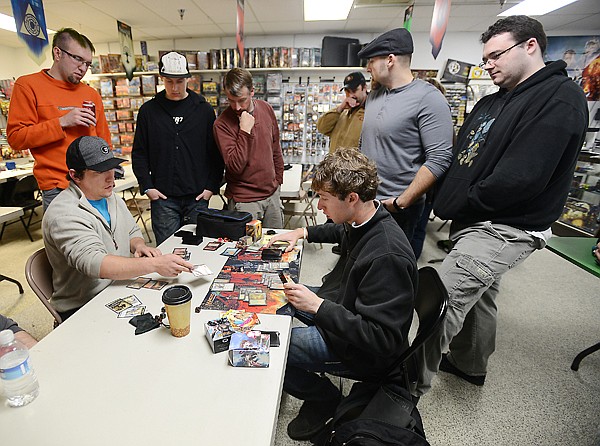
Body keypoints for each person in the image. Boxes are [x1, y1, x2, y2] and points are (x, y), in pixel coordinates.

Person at [414, 16, 588, 397]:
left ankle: (401, 392)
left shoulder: (559, 99)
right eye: (485, 57)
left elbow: (522, 177)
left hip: (505, 225)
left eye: (496, 55)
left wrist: (460, 200)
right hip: (473, 216)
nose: (488, 64)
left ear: (530, 47)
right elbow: (465, 157)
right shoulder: (493, 100)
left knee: (442, 297)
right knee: (481, 294)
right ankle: (468, 364)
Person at [267, 147, 417, 441]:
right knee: (276, 296)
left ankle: (324, 398)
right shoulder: (365, 218)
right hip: (340, 306)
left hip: (362, 351)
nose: (320, 206)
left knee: (276, 347)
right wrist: (303, 233)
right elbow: (340, 231)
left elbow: (383, 339)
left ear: (351, 198)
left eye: (324, 199)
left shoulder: (387, 255)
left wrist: (318, 307)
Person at [43, 136, 194, 321]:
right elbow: (94, 263)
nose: (111, 177)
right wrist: (154, 265)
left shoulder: (109, 196)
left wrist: (138, 245)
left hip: (118, 287)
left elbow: (131, 231)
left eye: (111, 168)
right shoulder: (63, 213)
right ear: (75, 175)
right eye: (99, 172)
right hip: (84, 306)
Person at [358, 28, 454, 243]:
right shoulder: (374, 96)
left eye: (371, 61)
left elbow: (440, 158)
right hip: (364, 202)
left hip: (397, 208)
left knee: (390, 271)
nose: (368, 67)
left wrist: (401, 202)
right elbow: (365, 145)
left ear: (390, 60)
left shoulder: (429, 98)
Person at [7, 28, 111, 210]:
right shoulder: (28, 85)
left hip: (94, 184)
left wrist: (108, 174)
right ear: (57, 53)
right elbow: (16, 138)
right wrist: (62, 122)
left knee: (103, 237)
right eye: (78, 59)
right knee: (66, 239)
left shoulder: (91, 94)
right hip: (58, 187)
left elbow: (104, 140)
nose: (83, 68)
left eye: (87, 63)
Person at [132, 51, 224, 246]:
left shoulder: (204, 110)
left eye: (179, 82)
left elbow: (215, 154)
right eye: (169, 82)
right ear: (162, 79)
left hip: (197, 196)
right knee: (166, 252)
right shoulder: (148, 111)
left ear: (188, 79)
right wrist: (147, 186)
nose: (174, 87)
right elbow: (139, 152)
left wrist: (211, 187)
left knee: (199, 250)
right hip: (163, 198)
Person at [213, 68, 285, 228]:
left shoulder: (266, 108)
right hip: (244, 201)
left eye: (241, 100)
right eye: (231, 100)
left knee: (276, 248)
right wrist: (244, 131)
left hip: (272, 195)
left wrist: (278, 181)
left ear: (252, 91)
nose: (236, 107)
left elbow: (275, 148)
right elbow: (235, 166)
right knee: (245, 251)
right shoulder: (222, 124)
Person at [316, 71, 368, 153]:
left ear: (364, 88)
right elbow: (322, 128)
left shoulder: (371, 112)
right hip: (335, 164)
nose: (350, 95)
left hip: (355, 165)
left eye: (354, 90)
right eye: (347, 91)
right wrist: (340, 108)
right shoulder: (342, 113)